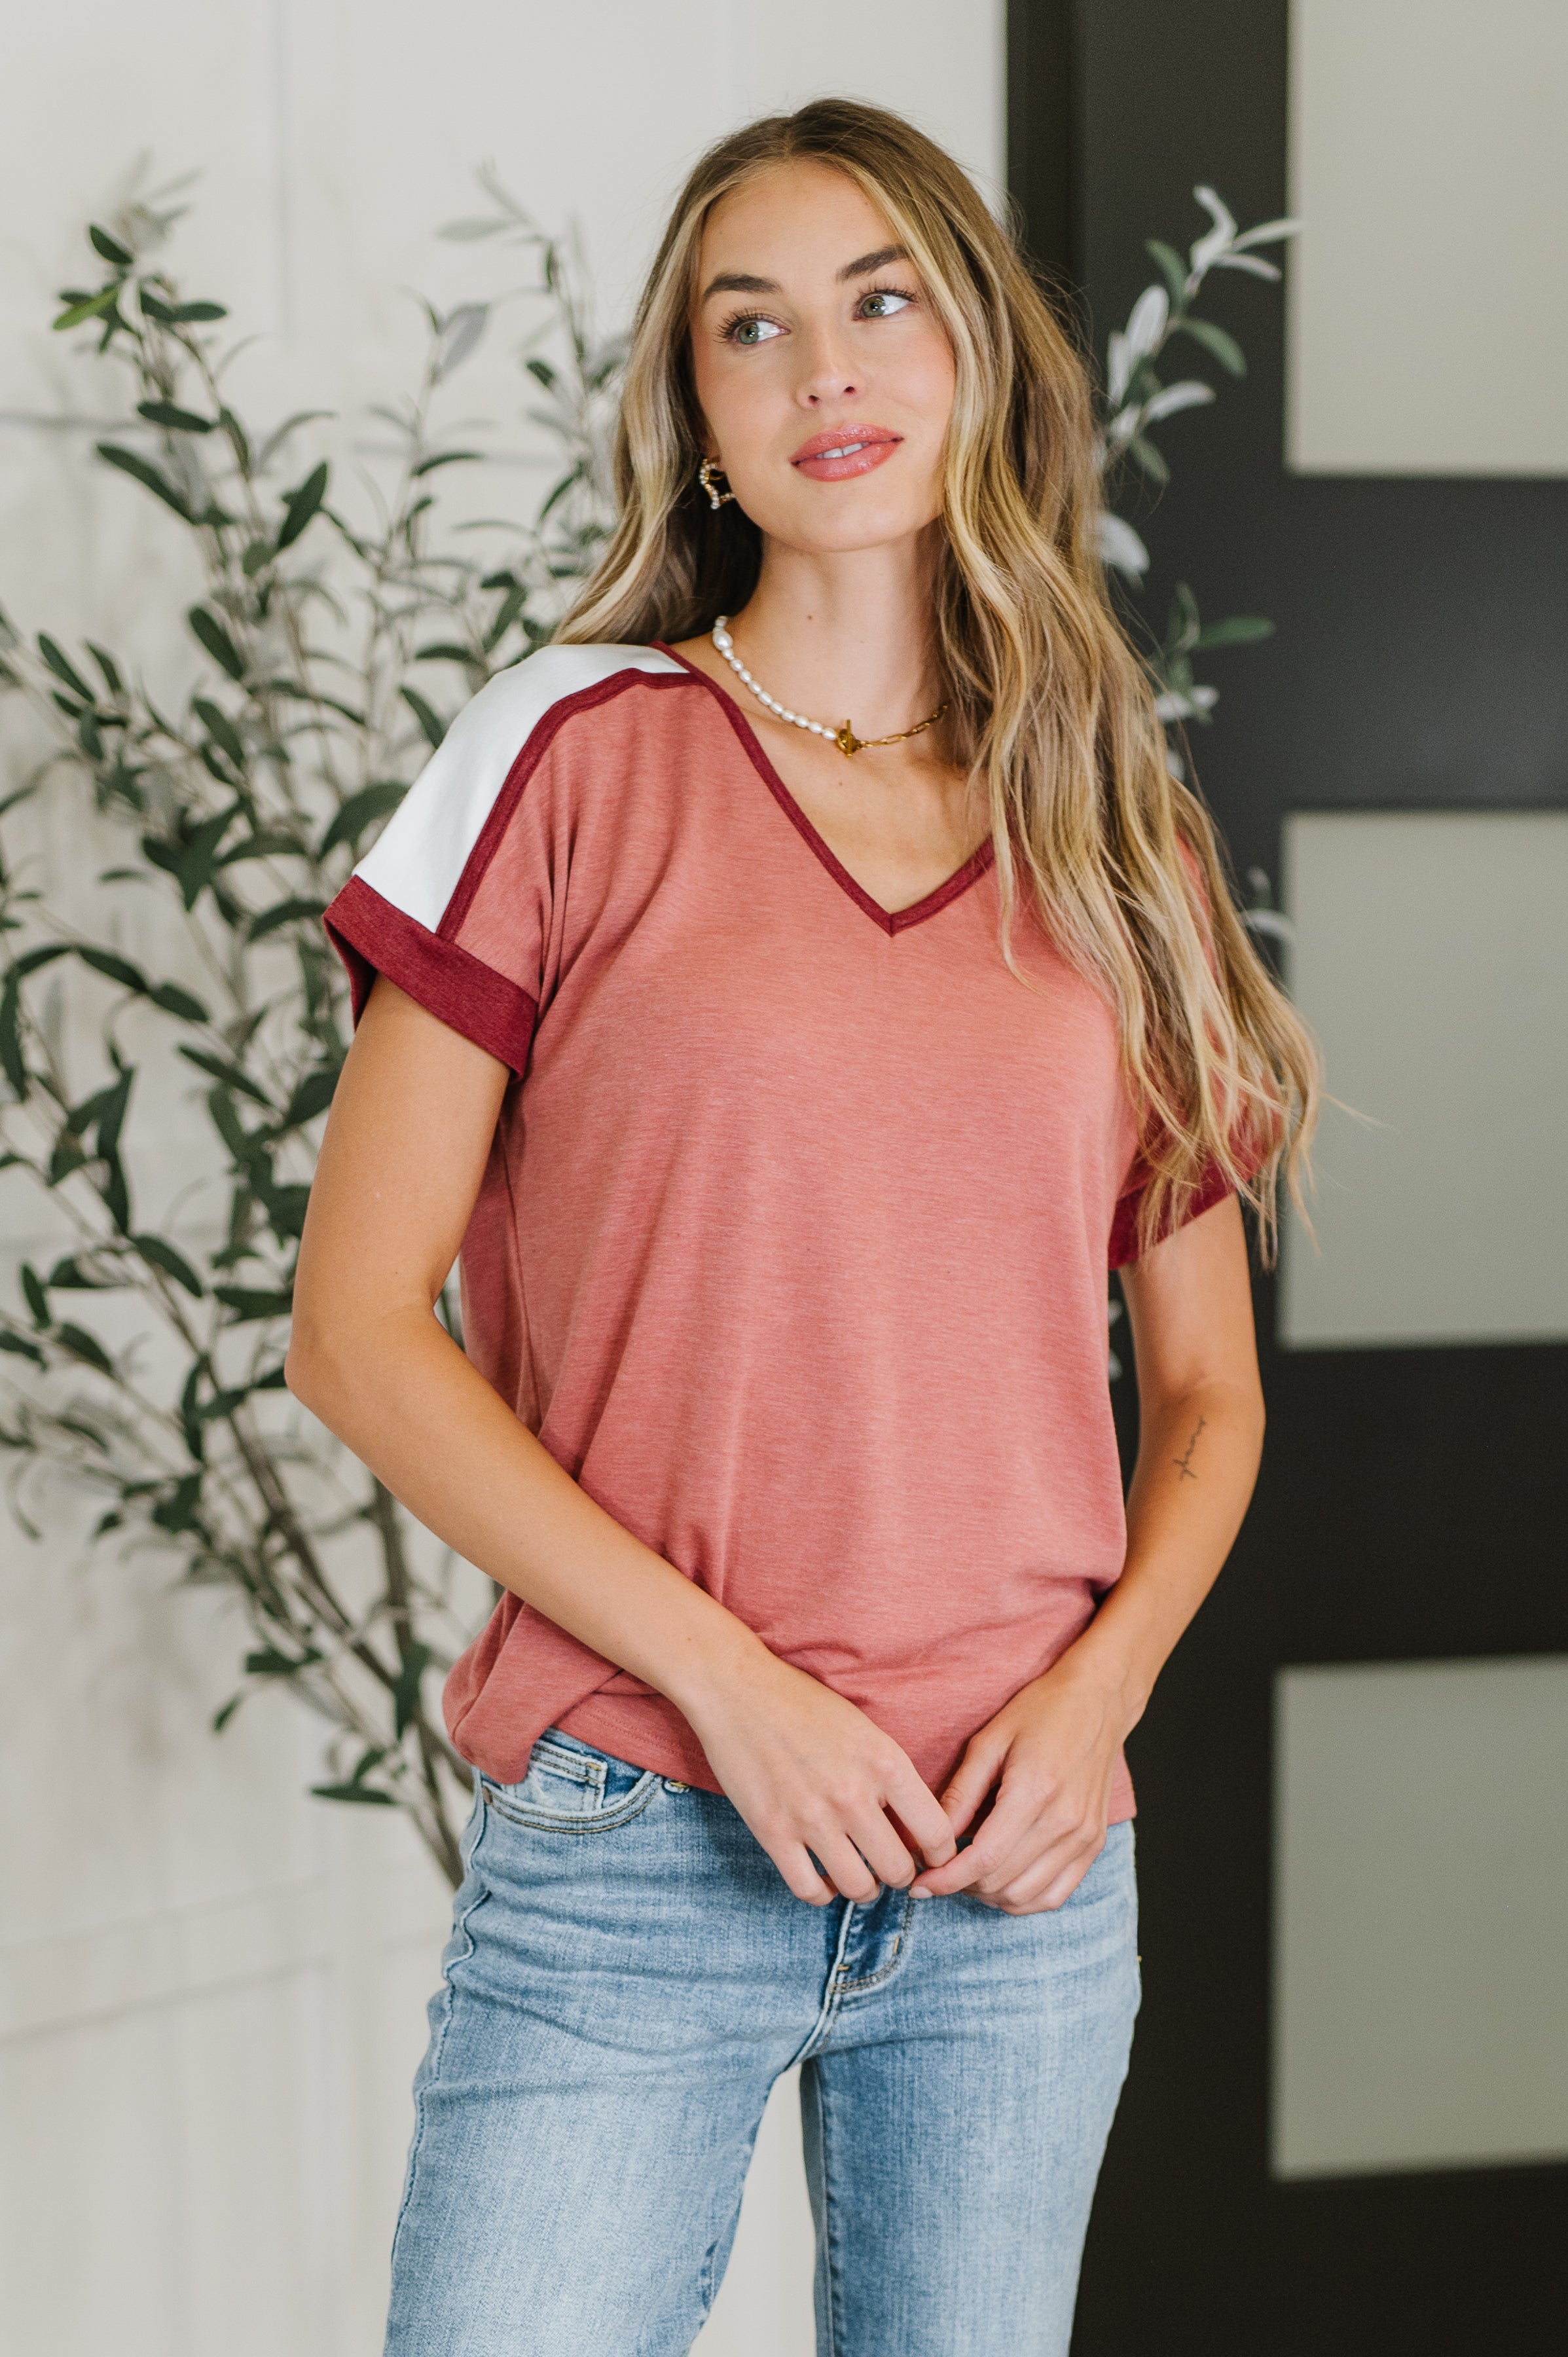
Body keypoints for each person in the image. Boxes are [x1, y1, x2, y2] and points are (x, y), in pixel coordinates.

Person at [291, 96, 1319, 2357]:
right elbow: (358, 1332)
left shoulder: (1113, 825)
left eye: (879, 304)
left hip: (1014, 1862)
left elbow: (1212, 1395)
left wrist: (1095, 1704)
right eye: (748, 330)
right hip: (648, 1822)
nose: (822, 374)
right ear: (696, 421)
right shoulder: (569, 754)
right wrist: (732, 1693)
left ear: (974, 361)